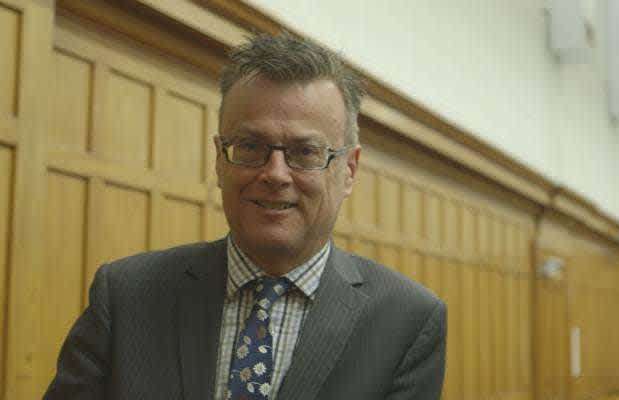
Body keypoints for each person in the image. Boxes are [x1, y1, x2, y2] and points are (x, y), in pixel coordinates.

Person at [44, 33, 446, 400]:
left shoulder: (406, 320)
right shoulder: (127, 296)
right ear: (219, 159)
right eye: (251, 146)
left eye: (305, 152)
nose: (275, 174)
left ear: (350, 171)